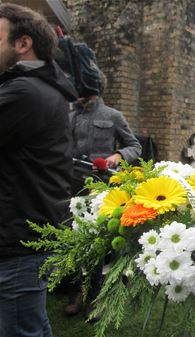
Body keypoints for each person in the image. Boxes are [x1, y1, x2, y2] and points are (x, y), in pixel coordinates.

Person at [0, 3, 77, 336]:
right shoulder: (38, 88)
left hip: (17, 238)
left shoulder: (25, 92)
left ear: (23, 43)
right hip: (27, 233)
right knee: (30, 324)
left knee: (20, 328)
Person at [65, 70, 142, 319]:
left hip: (100, 191)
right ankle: (77, 293)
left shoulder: (113, 116)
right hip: (71, 188)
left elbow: (134, 145)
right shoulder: (70, 115)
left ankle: (96, 298)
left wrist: (118, 156)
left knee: (98, 246)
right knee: (75, 243)